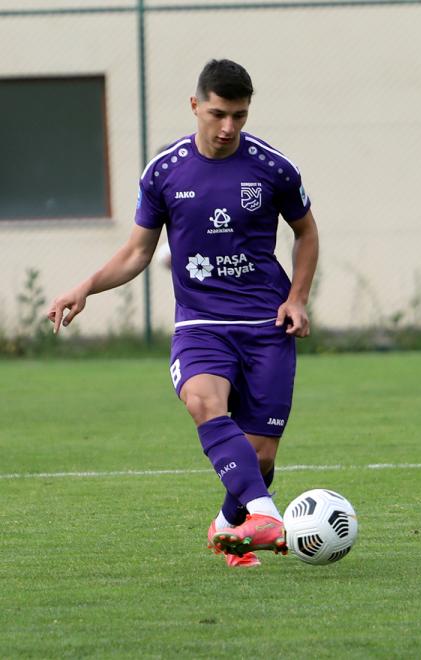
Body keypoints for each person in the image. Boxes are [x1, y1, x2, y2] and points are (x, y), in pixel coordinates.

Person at [47, 59, 319, 568]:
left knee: (260, 456)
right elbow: (137, 252)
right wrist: (86, 287)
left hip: (265, 324)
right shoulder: (165, 171)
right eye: (218, 114)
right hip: (201, 324)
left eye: (239, 115)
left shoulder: (274, 168)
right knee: (202, 401)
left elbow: (306, 231)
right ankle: (265, 514)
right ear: (195, 105)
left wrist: (297, 297)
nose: (228, 127)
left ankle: (229, 526)